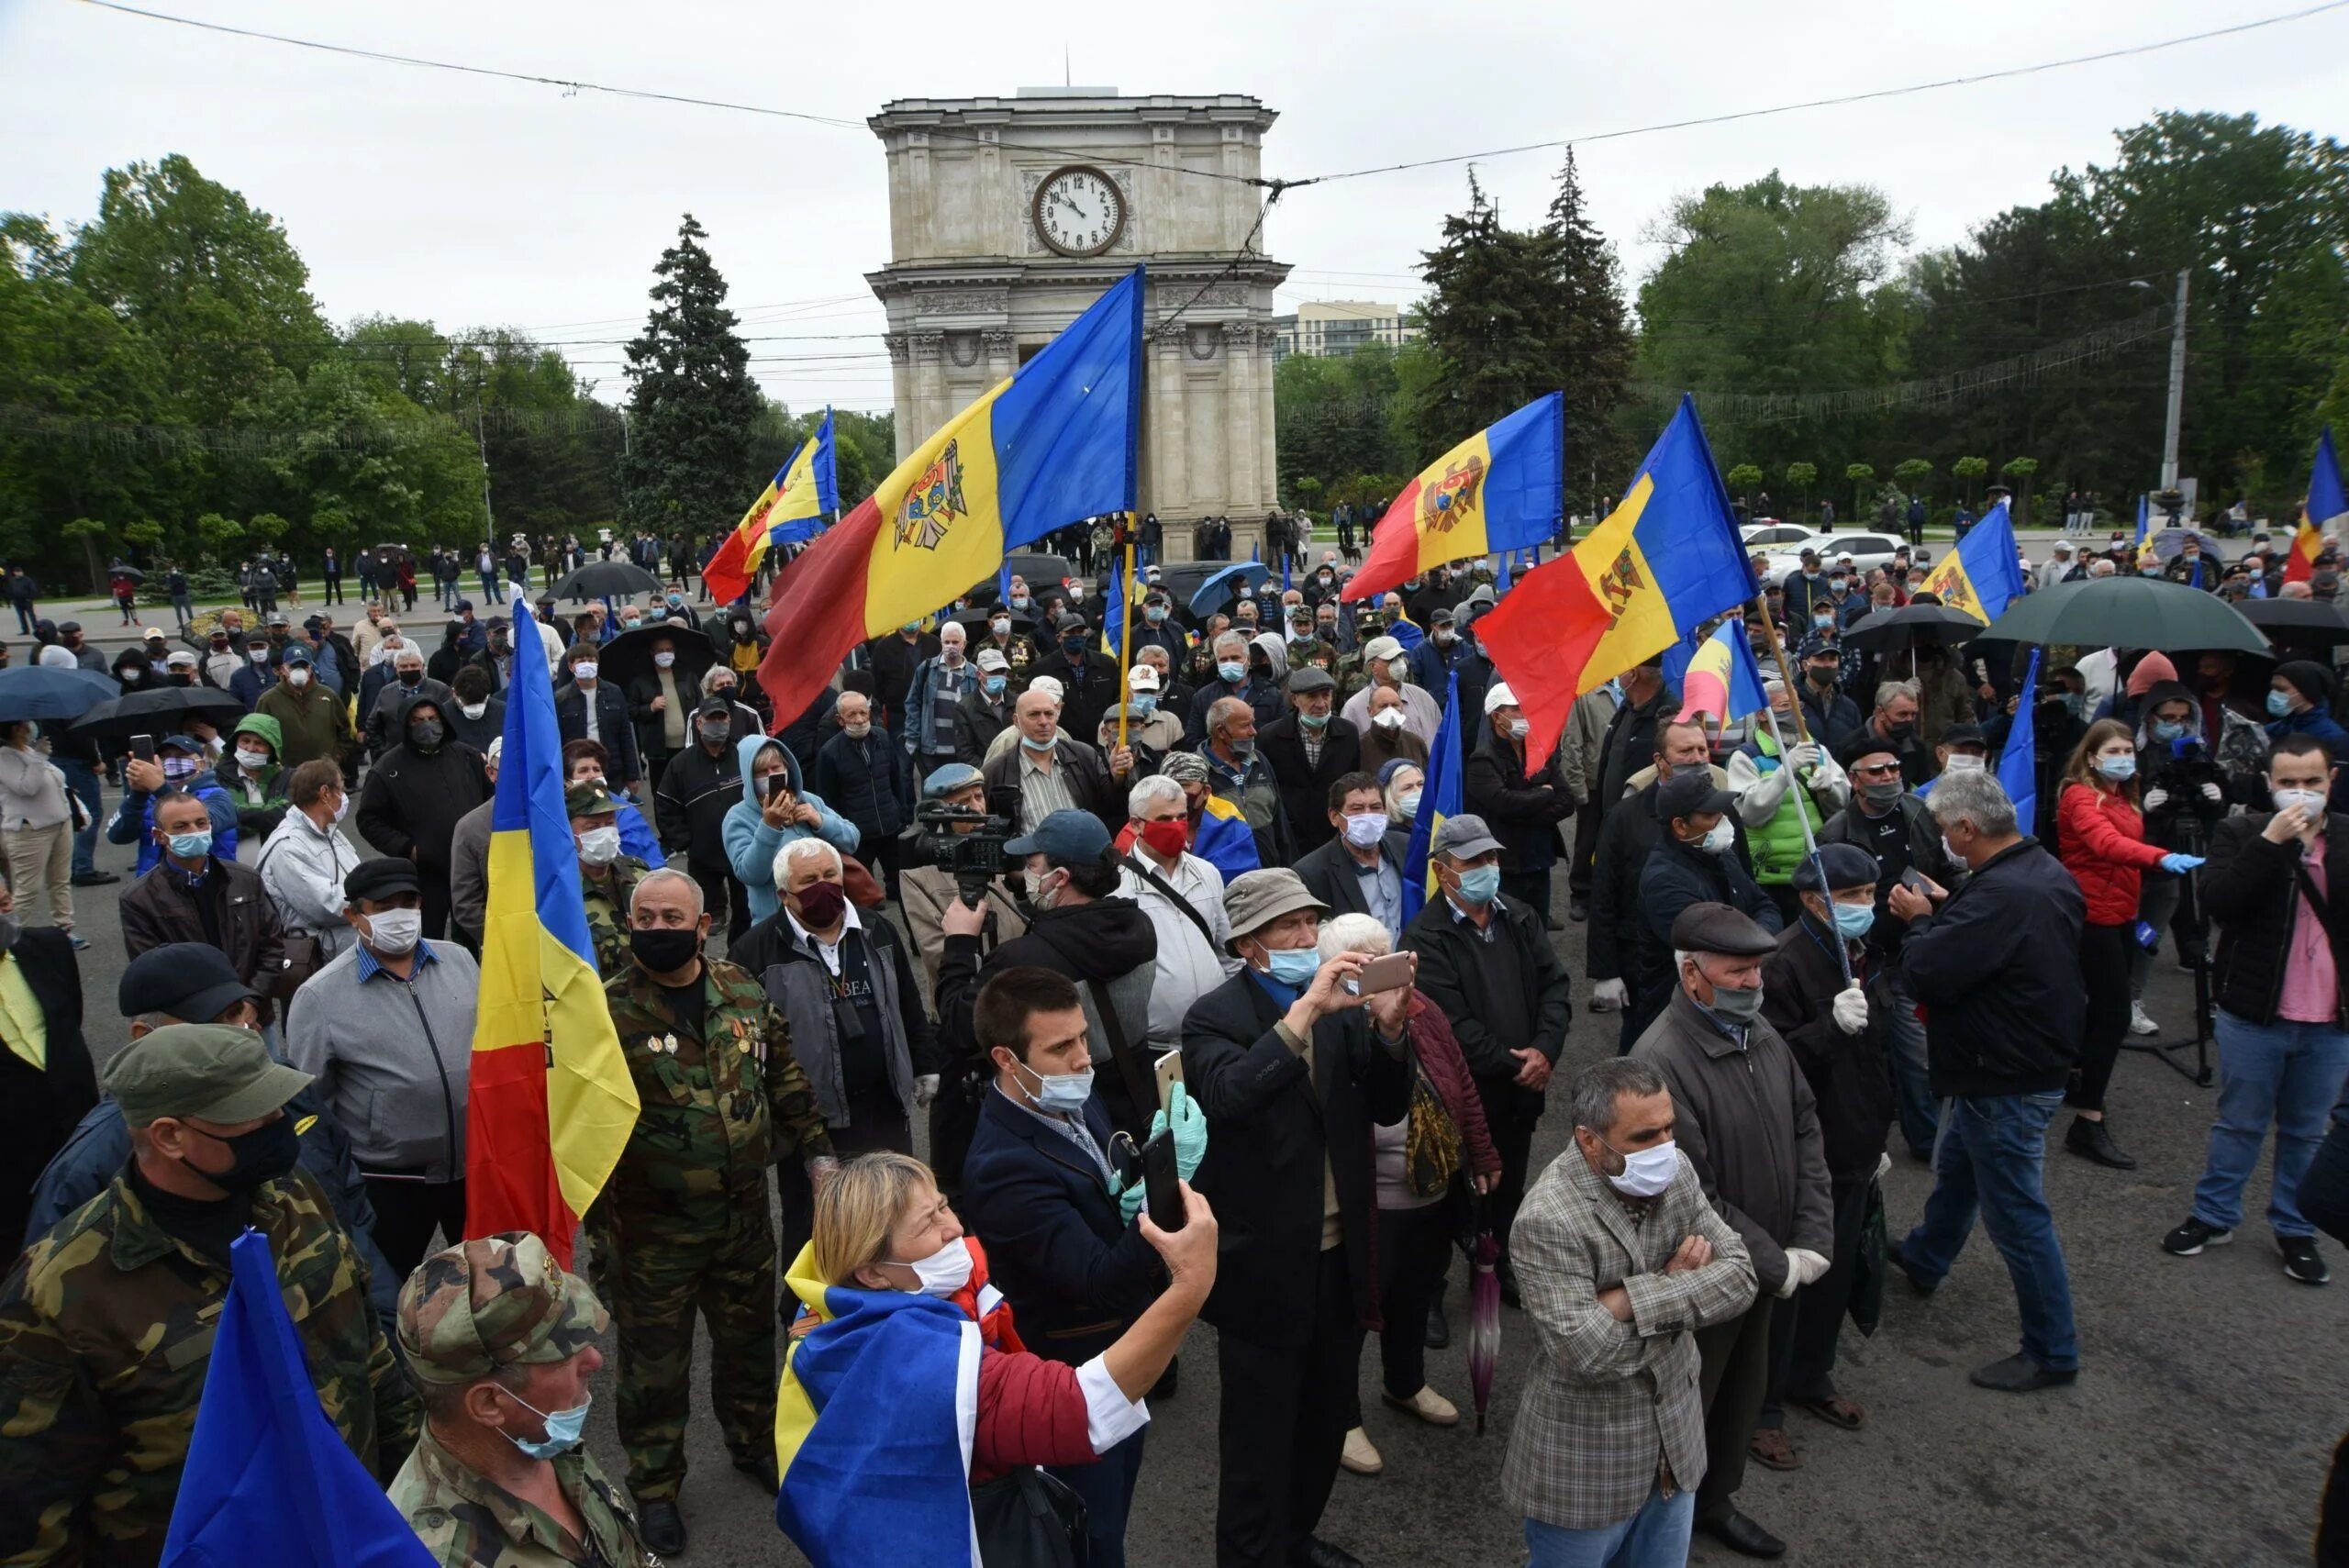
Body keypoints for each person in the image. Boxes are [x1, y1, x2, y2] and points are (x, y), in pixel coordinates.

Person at [0, 1024, 418, 1564]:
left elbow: (369, 1358)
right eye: (256, 1115)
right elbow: (32, 1507)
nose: (281, 1127)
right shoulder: (61, 1289)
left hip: (351, 1532)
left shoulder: (294, 1200)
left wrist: (409, 1495)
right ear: (170, 1136)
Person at [779, 1151, 1213, 1567]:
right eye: (927, 1223)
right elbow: (1083, 1408)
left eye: (943, 1206)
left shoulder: (831, 1318)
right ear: (872, 1272)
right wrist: (1190, 1284)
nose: (952, 1228)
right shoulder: (927, 1365)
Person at [596, 866, 835, 1553]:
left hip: (741, 1218)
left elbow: (784, 1075)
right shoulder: (605, 1009)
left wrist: (820, 1159)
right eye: (647, 918)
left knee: (749, 1340)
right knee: (653, 1365)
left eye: (674, 918)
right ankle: (654, 1484)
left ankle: (755, 1440)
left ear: (703, 926)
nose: (659, 929)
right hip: (650, 1229)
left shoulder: (740, 989)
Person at [1183, 868, 1414, 1568]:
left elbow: (1384, 1104)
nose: (1307, 937)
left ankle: (1294, 1537)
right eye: (1289, 927)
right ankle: (1250, 1554)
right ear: (1250, 943)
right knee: (1258, 1437)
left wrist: (1391, 1028)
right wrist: (1304, 1013)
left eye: (1312, 923)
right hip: (1264, 1264)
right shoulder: (1215, 1015)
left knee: (1323, 1419)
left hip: (1339, 1255)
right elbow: (1227, 1096)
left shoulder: (1343, 1010)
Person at [958, 965, 1199, 1568]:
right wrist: (1164, 1196)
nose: (1082, 1059)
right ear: (1006, 1059)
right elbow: (1102, 1283)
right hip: (1073, 1376)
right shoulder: (1003, 1165)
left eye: (1083, 1037)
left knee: (1112, 1512)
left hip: (1119, 1361)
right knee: (1092, 1535)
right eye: (1060, 1046)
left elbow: (1094, 1186)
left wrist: (1133, 1182)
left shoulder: (1067, 1095)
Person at [1630, 903, 1831, 1561]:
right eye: (1737, 970)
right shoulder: (1661, 1060)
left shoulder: (1760, 1032)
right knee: (1688, 1401)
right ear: (1692, 975)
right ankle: (1663, 1523)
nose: (1754, 982)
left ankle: (1713, 1502)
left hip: (1763, 1261)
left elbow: (1805, 1124)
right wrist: (1778, 1262)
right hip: (1708, 1269)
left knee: (1741, 1393)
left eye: (1757, 969)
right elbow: (1697, 1197)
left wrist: (1812, 1233)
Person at [1506, 1053, 1761, 1568]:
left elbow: (1741, 1277)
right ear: (1588, 1141)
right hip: (1587, 1468)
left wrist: (1631, 1298)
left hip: (1677, 1450)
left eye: (1669, 1128)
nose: (1665, 1147)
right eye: (1644, 1137)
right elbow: (1585, 1351)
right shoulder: (1546, 1219)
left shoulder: (1678, 1170)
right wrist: (1682, 1290)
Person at [1886, 770, 2086, 1392]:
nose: (1943, 839)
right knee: (1961, 1170)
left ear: (1967, 828)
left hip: (2006, 1074)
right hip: (1999, 1066)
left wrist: (1920, 919)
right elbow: (1999, 945)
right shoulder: (2036, 871)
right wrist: (1950, 908)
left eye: (1947, 829)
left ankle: (2052, 1350)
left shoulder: (2003, 894)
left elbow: (1927, 970)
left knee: (2017, 1214)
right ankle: (1926, 1254)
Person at [2164, 735, 2349, 1284]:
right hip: (2254, 1009)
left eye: (2312, 782)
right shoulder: (2242, 831)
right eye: (2287, 782)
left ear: (2330, 780)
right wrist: (2270, 843)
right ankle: (2214, 1215)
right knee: (2239, 1122)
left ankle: (2295, 1229)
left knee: (2305, 1130)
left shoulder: (2345, 839)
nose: (2301, 793)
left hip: (2330, 1021)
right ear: (2269, 784)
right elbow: (2218, 904)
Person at [1320, 912, 1498, 1475]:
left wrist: (1483, 1153)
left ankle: (1405, 1384)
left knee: (1413, 1297)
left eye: (1388, 956)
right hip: (1370, 1207)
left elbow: (1462, 1085)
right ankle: (1340, 1418)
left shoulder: (1425, 1011)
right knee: (1350, 1316)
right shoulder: (1329, 1030)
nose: (1385, 972)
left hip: (1430, 1195)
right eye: (1365, 963)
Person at [390, 1231, 661, 1567]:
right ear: (489, 1404)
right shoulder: (436, 1555)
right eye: (563, 1354)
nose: (594, 1360)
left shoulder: (536, 1435)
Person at [1753, 844, 1896, 1468]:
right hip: (1808, 1150)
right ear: (1814, 899)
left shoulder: (1863, 954)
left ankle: (1811, 1378)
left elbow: (1879, 1055)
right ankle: (1760, 1409)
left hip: (1856, 1143)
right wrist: (1829, 1028)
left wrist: (1877, 1136)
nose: (1869, 905)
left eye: (1872, 892)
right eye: (1856, 896)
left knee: (1833, 1281)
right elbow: (1774, 1064)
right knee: (1790, 1285)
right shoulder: (1783, 963)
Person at [731, 838, 937, 1269]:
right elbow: (746, 1048)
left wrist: (924, 1063)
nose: (823, 887)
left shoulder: (878, 930)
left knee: (895, 1215)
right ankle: (812, 1318)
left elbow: (907, 1001)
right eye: (809, 880)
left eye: (830, 876)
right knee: (818, 1228)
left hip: (884, 1108)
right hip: (810, 1125)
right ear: (784, 894)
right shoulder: (754, 952)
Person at [1401, 813, 1571, 1302]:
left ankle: (1498, 1262)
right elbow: (1451, 1025)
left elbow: (1555, 986)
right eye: (1473, 860)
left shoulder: (1518, 915)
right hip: (1465, 1093)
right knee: (1445, 1196)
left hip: (1519, 1093)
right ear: (1443, 870)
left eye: (1491, 857)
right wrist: (1518, 1064)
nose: (1488, 867)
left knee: (1508, 1183)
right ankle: (1429, 1293)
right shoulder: (1425, 939)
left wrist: (1547, 1049)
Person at [287, 857, 482, 1279]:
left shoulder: (460, 961)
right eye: (383, 906)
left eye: (409, 902)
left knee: (489, 1287)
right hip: (390, 1181)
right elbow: (310, 1101)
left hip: (474, 1166)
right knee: (387, 1290)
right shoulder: (319, 996)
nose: (401, 915)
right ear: (353, 916)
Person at [2057, 717, 2203, 1169]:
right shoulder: (2080, 796)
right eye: (2114, 751)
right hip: (2092, 916)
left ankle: (2075, 1080)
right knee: (2114, 1014)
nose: (2123, 758)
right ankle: (2088, 1119)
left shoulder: (2123, 795)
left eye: (2127, 750)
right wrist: (2162, 858)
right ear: (2091, 755)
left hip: (2120, 913)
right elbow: (2106, 844)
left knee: (2095, 1009)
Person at [1820, 728, 1965, 1161]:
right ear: (1855, 780)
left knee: (1931, 1050)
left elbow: (1949, 871)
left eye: (1894, 768)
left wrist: (1953, 894)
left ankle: (1935, 1136)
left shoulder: (1923, 814)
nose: (1888, 776)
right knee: (1899, 1053)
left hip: (1930, 947)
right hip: (1874, 959)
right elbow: (1824, 900)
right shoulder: (1836, 832)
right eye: (1877, 771)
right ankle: (1921, 1141)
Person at [1630, 772, 1784, 1048]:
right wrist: (1758, 942)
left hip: (1728, 1004)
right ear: (1680, 826)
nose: (1723, 821)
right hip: (1684, 1019)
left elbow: (1765, 904)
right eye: (1711, 815)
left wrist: (1758, 940)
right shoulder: (1665, 881)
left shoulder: (1720, 854)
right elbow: (1715, 947)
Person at [119, 783, 289, 1017]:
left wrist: (251, 1001)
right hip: (193, 1022)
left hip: (253, 1013)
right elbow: (154, 970)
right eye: (180, 827)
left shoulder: (246, 879)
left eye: (201, 823)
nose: (194, 831)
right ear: (160, 836)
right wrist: (209, 1011)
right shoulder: (139, 899)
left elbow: (272, 946)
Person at [1589, 718, 1715, 1019]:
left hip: (1711, 963)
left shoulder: (1722, 810)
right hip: (1643, 966)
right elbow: (1604, 892)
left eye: (1702, 749)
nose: (1697, 758)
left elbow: (1742, 884)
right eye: (1686, 751)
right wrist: (1605, 971)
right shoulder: (1624, 816)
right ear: (1660, 760)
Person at [0, 873, 94, 1252]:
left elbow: (70, 1018)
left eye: (4, 903)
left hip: (75, 1137)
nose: (4, 915)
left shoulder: (49, 947)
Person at [356, 691, 492, 940]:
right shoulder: (387, 769)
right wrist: (408, 848)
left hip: (472, 868)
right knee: (430, 940)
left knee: (478, 937)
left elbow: (491, 801)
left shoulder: (466, 756)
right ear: (405, 725)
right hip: (425, 874)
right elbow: (368, 820)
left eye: (432, 718)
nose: (427, 725)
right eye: (417, 721)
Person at [1121, 774, 1238, 1046]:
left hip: (1217, 1033)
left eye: (1181, 817)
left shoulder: (1207, 873)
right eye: (1164, 820)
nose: (1176, 826)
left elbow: (1229, 951)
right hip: (1155, 1044)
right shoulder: (1119, 887)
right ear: (1137, 824)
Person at [1728, 681, 1849, 927]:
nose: (1795, 711)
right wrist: (1784, 772)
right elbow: (1750, 814)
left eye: (1798, 704)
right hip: (1770, 878)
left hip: (1816, 872)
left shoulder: (1817, 750)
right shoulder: (1746, 757)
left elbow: (1841, 806)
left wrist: (1830, 788)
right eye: (1786, 705)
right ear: (1762, 714)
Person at [898, 762, 1027, 989]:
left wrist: (1021, 884)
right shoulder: (919, 869)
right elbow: (935, 951)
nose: (976, 808)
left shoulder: (1001, 845)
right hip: (969, 989)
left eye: (978, 796)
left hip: (1020, 985)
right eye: (962, 803)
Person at [724, 734, 861, 929]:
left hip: (830, 915)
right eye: (762, 772)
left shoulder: (807, 800)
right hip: (779, 923)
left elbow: (852, 839)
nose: (771, 775)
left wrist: (820, 821)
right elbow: (751, 875)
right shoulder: (738, 817)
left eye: (776, 768)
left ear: (787, 767)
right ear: (749, 778)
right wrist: (770, 826)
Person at [1467, 682, 1577, 920]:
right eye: (1516, 709)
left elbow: (1567, 800)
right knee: (1509, 928)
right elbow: (1504, 804)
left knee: (1538, 925)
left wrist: (1525, 811)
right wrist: (1544, 794)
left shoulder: (1539, 752)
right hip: (1507, 864)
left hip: (1539, 858)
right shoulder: (1483, 760)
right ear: (1497, 717)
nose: (1524, 714)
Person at [656, 695, 753, 933]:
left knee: (747, 913)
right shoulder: (680, 764)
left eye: (722, 718)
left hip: (743, 848)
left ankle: (741, 955)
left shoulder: (745, 755)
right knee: (704, 912)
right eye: (711, 719)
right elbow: (666, 805)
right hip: (703, 855)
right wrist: (685, 842)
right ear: (699, 724)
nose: (717, 724)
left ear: (730, 721)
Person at [983, 684, 1130, 838]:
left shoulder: (1084, 756)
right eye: (1034, 714)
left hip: (1083, 857)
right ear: (1016, 720)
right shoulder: (996, 772)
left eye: (1049, 714)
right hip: (1029, 860)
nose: (1043, 721)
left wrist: (1117, 777)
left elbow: (1112, 809)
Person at [814, 688, 912, 898]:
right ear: (840, 720)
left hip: (890, 827)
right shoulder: (830, 752)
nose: (859, 720)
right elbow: (827, 798)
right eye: (852, 715)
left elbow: (897, 779)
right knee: (862, 894)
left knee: (901, 885)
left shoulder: (883, 738)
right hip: (859, 835)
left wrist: (901, 814)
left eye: (863, 713)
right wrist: (841, 832)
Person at [1259, 667, 1362, 856]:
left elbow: (1352, 781)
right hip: (1291, 838)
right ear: (1295, 699)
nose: (1321, 704)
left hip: (1334, 834)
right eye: (1312, 697)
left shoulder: (1348, 733)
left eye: (1326, 695)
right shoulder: (1270, 736)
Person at [1297, 771, 1407, 940]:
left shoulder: (1406, 847)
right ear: (1334, 817)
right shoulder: (1312, 873)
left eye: (1376, 807)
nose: (1368, 815)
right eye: (1357, 809)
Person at [0, 718, 78, 940]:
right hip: (30, 831)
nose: (31, 727)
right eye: (26, 724)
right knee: (27, 889)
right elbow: (25, 788)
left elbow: (55, 780)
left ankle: (64, 929)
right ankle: (8, 937)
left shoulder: (28, 750)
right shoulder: (4, 755)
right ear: (16, 729)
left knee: (60, 881)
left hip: (59, 823)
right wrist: (39, 756)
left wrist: (37, 755)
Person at [1200, 694, 1294, 869]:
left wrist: (1289, 869)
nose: (1254, 731)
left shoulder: (1259, 761)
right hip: (1225, 878)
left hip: (1269, 874)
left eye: (1253, 723)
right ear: (1221, 731)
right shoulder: (1199, 771)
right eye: (1245, 726)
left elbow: (1280, 824)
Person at [554, 643, 642, 791]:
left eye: (591, 660)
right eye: (581, 661)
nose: (587, 664)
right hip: (577, 773)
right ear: (571, 666)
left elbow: (625, 735)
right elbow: (557, 739)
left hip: (611, 770)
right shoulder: (561, 698)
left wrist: (632, 775)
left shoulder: (614, 692)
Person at [1337, 634, 1442, 747]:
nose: (1399, 663)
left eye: (1400, 657)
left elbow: (1441, 739)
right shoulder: (1354, 708)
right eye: (1391, 660)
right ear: (1373, 667)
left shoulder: (1423, 698)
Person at [952, 646, 1019, 763]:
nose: (998, 676)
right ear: (979, 675)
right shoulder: (965, 708)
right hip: (987, 774)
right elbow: (966, 753)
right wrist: (990, 773)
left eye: (1002, 671)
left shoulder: (1017, 703)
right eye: (993, 672)